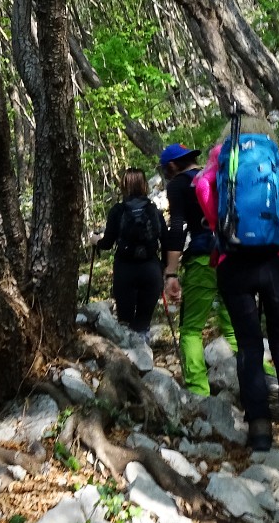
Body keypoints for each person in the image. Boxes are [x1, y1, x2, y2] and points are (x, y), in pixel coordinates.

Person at [195, 116, 279, 451]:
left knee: (249, 347)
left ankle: (260, 431)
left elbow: (201, 187)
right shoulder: (272, 159)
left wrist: (216, 225)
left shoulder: (221, 161)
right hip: (273, 261)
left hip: (232, 263)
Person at [158, 143, 236, 396]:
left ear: (171, 166)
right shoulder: (215, 178)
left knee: (191, 329)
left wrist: (171, 272)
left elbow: (178, 226)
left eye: (165, 169)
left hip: (203, 259)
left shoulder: (178, 185)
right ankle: (265, 376)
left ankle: (198, 392)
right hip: (232, 256)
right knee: (235, 325)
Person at [94, 168, 166, 342]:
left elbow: (107, 243)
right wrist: (165, 268)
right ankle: (145, 359)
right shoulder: (154, 211)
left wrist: (96, 240)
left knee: (125, 321)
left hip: (125, 270)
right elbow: (166, 241)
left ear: (124, 185)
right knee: (143, 322)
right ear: (143, 186)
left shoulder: (117, 211)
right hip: (151, 269)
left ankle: (128, 360)